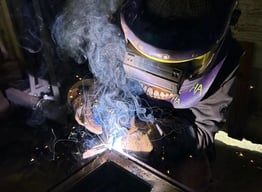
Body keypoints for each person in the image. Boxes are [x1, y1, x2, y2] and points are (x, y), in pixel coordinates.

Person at [117, 0, 243, 191]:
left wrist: (155, 134)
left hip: (182, 158)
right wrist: (84, 97)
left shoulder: (223, 63)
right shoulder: (119, 32)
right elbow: (98, 80)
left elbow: (203, 131)